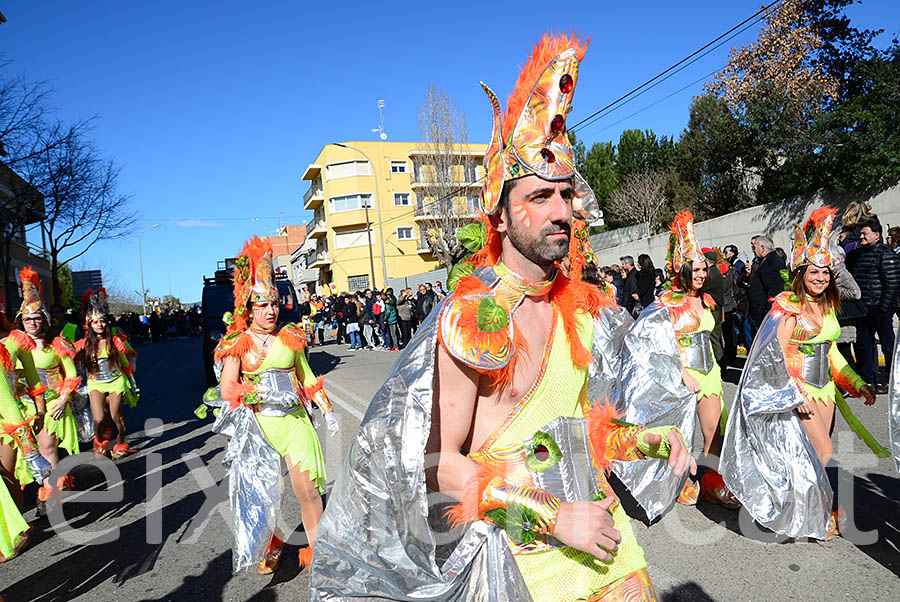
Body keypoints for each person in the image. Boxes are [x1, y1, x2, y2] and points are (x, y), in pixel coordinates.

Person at [310, 34, 695, 601]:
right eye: (540, 197)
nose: (561, 211)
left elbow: (582, 434)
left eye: (566, 195)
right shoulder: (475, 318)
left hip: (613, 551)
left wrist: (648, 441)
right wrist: (552, 516)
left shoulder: (581, 311)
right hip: (520, 567)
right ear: (501, 209)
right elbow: (439, 465)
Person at [721, 207, 878, 541]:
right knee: (823, 453)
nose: (821, 278)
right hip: (800, 391)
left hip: (825, 393)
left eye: (825, 272)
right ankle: (819, 513)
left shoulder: (828, 305)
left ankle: (803, 510)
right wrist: (793, 394)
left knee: (810, 458)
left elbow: (831, 353)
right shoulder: (789, 306)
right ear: (800, 273)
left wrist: (858, 383)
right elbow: (772, 357)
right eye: (814, 272)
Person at [201, 236, 338, 573]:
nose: (271, 311)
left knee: (306, 488)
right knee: (267, 494)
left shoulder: (291, 337)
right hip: (259, 427)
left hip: (294, 422)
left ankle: (317, 550)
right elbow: (227, 387)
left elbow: (307, 377)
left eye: (274, 304)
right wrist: (254, 395)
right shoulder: (237, 343)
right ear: (248, 309)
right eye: (262, 305)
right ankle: (271, 541)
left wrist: (327, 408)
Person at [615, 212, 738, 516]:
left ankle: (712, 481)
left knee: (713, 431)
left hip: (708, 371)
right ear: (683, 270)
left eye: (703, 269)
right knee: (679, 433)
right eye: (695, 269)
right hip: (679, 374)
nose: (701, 274)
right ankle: (680, 482)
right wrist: (681, 373)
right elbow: (649, 341)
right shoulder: (666, 304)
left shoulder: (707, 300)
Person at [14, 268, 80, 512]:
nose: (32, 322)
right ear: (21, 320)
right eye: (27, 319)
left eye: (37, 318)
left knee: (47, 449)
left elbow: (71, 375)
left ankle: (48, 498)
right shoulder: (12, 345)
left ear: (45, 319)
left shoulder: (57, 344)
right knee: (24, 456)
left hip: (52, 405)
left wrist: (64, 400)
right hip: (20, 408)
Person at [78, 289, 139, 459]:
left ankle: (120, 444)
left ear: (107, 323)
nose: (99, 325)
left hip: (115, 381)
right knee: (98, 419)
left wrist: (130, 379)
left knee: (115, 417)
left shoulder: (115, 340)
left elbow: (127, 363)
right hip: (95, 383)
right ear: (89, 324)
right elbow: (73, 363)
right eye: (95, 322)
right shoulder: (84, 344)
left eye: (102, 321)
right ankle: (99, 443)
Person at [849, 217, 899, 395]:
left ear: (877, 235)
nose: (861, 237)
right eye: (861, 233)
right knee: (863, 345)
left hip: (880, 308)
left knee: (887, 345)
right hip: (864, 309)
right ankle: (867, 381)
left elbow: (892, 282)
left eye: (865, 234)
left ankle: (890, 380)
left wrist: (883, 307)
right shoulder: (859, 254)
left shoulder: (885, 253)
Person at [746, 235, 786, 331]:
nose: (753, 250)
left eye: (755, 247)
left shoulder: (772, 262)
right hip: (759, 311)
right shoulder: (766, 260)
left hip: (765, 313)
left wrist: (767, 312)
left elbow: (774, 289)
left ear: (762, 248)